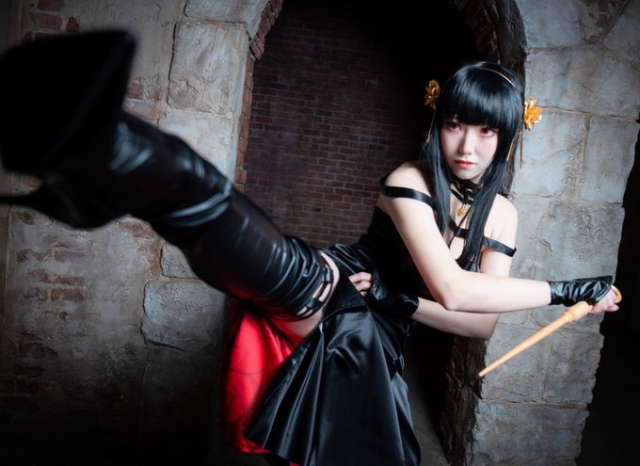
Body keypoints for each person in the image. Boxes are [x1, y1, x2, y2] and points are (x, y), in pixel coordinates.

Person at [0, 31, 618, 466]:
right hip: (341, 285)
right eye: (456, 124)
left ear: (505, 137)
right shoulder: (409, 178)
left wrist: (401, 301)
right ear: (438, 123)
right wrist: (565, 290)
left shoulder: (501, 214)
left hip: (386, 322)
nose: (467, 145)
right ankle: (115, 149)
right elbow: (456, 290)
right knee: (293, 275)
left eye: (486, 131)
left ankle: (115, 166)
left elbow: (479, 322)